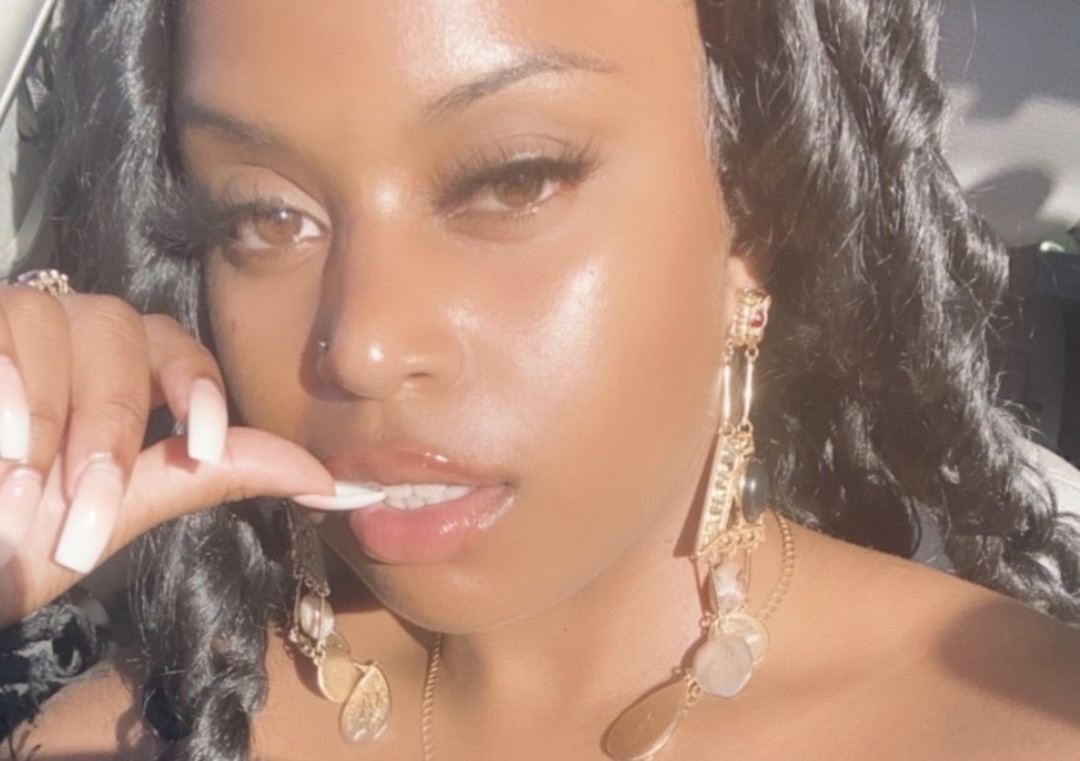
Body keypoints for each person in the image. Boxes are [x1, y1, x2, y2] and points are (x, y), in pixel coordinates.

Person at [3, 0, 1080, 758]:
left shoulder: (1026, 724)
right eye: (266, 214)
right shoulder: (133, 728)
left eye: (513, 180)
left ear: (755, 204)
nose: (361, 345)